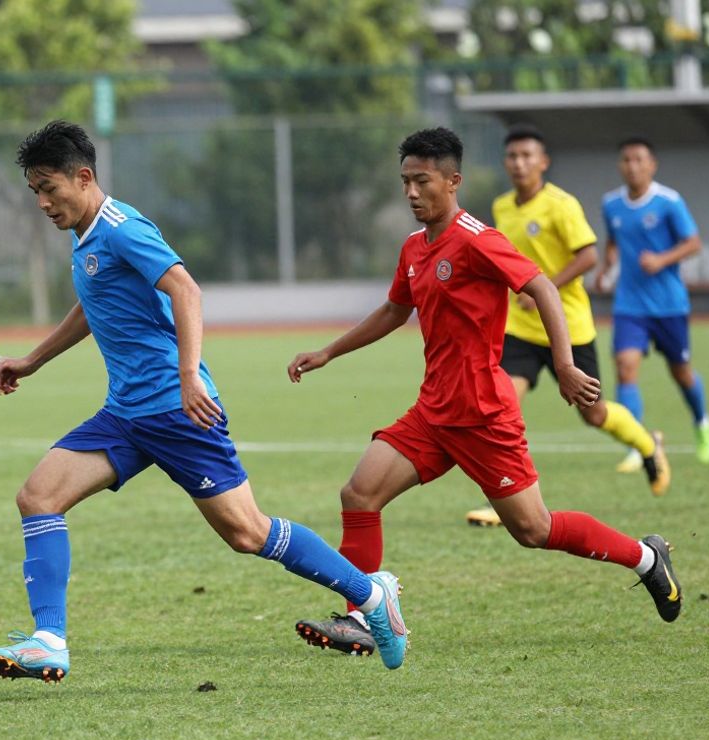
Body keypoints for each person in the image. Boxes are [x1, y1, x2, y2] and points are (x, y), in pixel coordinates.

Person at [0, 120, 409, 683]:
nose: (41, 201)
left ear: (83, 178)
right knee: (37, 498)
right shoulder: (84, 237)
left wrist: (188, 376)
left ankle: (369, 593)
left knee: (247, 533)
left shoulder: (123, 227)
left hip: (177, 411)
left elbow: (185, 288)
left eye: (48, 188)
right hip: (126, 414)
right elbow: (94, 302)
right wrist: (32, 360)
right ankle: (49, 640)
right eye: (34, 190)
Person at [289, 127, 683, 658]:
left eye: (421, 181)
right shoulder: (413, 248)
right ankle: (363, 614)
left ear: (453, 181)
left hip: (482, 414)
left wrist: (565, 365)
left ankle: (645, 558)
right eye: (404, 182)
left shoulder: (477, 238)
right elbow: (393, 310)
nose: (410, 193)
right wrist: (329, 352)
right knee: (359, 494)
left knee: (534, 529)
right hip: (434, 410)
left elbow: (542, 286)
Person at [464, 125, 669, 529]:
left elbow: (589, 257)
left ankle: (648, 444)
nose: (519, 163)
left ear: (543, 162)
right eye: (512, 156)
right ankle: (507, 499)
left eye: (527, 156)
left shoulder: (561, 205)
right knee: (498, 403)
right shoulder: (503, 206)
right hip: (521, 328)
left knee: (593, 415)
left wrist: (543, 288)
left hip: (568, 328)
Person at [596, 136, 709, 468]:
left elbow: (693, 243)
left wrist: (662, 260)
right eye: (626, 160)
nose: (632, 166)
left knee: (681, 373)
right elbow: (613, 242)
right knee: (625, 368)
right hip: (629, 305)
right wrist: (608, 268)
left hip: (668, 305)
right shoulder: (611, 204)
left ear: (652, 164)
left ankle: (702, 421)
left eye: (638, 159)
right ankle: (638, 445)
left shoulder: (668, 202)